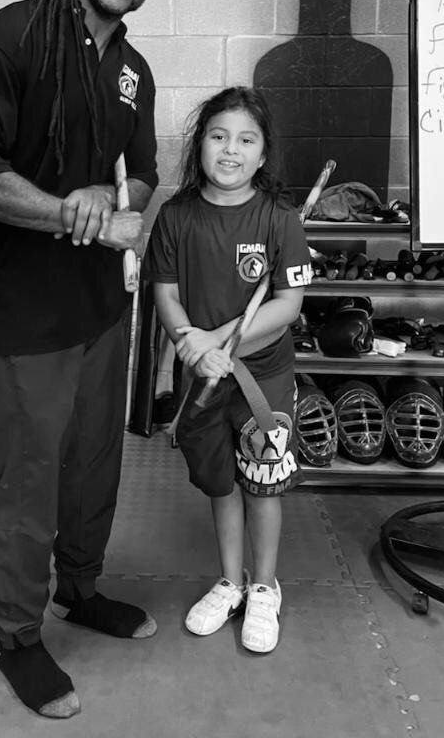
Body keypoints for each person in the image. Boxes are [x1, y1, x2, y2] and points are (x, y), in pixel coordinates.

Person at [0, 0, 176, 719]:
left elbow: (142, 172)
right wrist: (66, 209)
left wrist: (116, 198)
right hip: (23, 315)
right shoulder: (11, 35)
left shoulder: (133, 71)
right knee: (27, 483)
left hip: (98, 309)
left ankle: (81, 589)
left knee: (92, 466)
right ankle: (19, 637)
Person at [143, 86, 312, 654]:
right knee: (219, 482)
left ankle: (265, 588)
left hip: (261, 376)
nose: (230, 150)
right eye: (218, 137)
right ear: (201, 147)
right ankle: (231, 582)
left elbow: (287, 306)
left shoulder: (279, 217)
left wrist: (216, 339)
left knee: (263, 483)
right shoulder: (175, 216)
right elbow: (165, 294)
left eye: (246, 139)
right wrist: (190, 342)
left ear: (263, 154)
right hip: (199, 374)